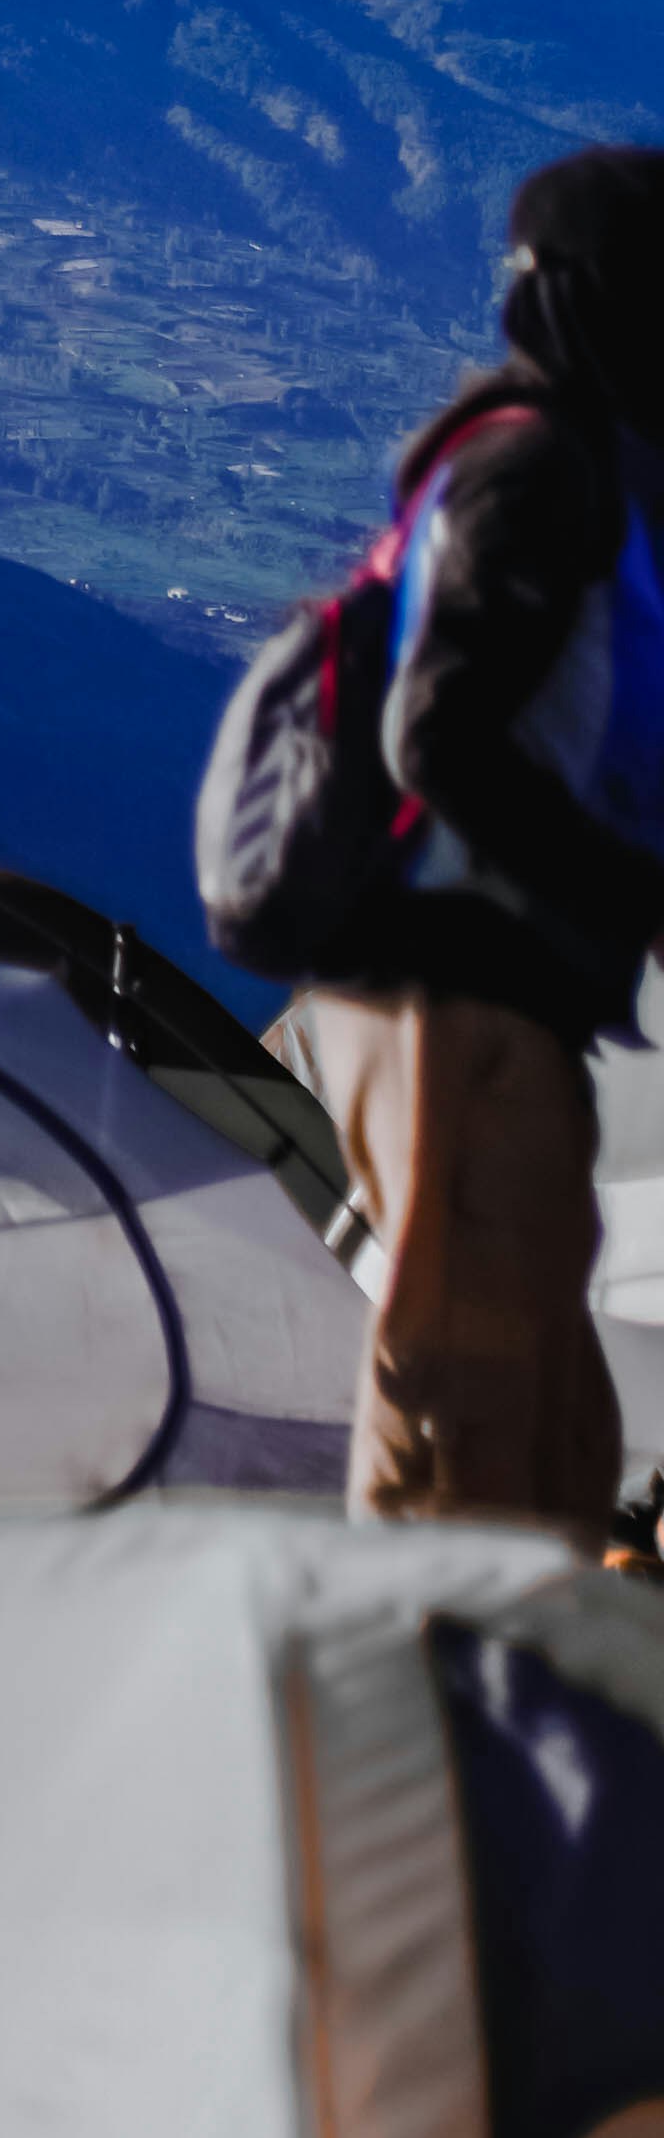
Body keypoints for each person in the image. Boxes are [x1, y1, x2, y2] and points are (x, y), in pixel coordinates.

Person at [298, 145, 664, 1548]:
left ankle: (528, 1682)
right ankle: (430, 1706)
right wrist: (615, 893)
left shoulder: (567, 467)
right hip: (450, 987)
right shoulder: (541, 475)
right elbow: (435, 735)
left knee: (556, 1424)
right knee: (464, 1398)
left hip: (498, 998)